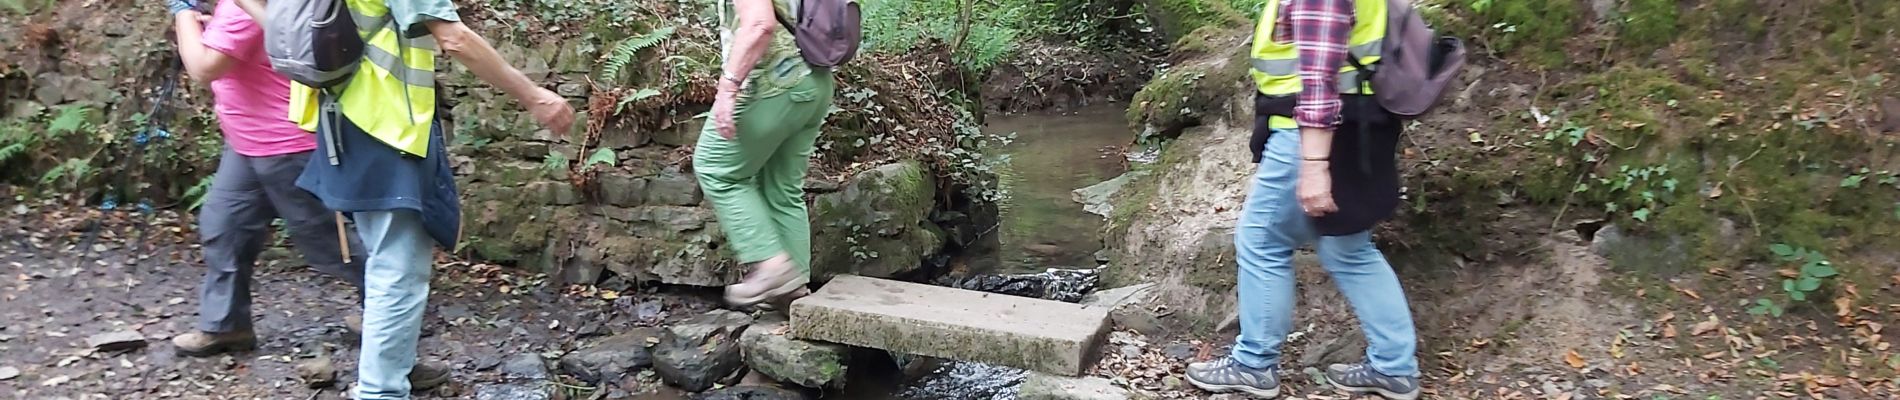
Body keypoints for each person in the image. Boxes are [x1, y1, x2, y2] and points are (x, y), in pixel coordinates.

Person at [270, 0, 575, 397]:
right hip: (383, 123)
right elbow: (455, 38)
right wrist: (535, 96)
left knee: (387, 257)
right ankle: (381, 391)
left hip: (339, 114)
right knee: (397, 269)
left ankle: (398, 365)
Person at [1185, 0, 1422, 399]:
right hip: (1360, 126)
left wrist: (1314, 165)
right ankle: (1395, 368)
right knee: (1349, 250)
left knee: (1262, 242)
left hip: (1312, 132)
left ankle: (1254, 364)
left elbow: (1317, 79)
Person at [163, 0, 371, 357]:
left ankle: (392, 314)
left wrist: (181, 11)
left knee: (329, 240)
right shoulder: (243, 9)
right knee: (225, 227)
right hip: (247, 142)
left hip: (285, 145)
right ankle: (227, 326)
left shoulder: (243, 8)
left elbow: (202, 68)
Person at [694, 0, 835, 308]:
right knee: (782, 188)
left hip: (775, 84)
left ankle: (772, 268)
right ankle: (793, 292)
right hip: (815, 81)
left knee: (716, 168)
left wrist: (727, 89)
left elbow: (760, 25)